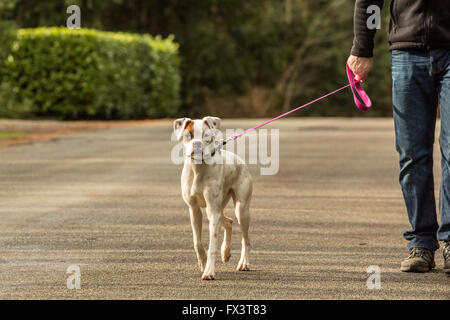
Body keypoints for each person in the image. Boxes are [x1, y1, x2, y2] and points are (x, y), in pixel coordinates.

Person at [347, 0, 450, 274]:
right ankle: (421, 242)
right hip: (407, 53)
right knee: (412, 155)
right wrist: (362, 47)